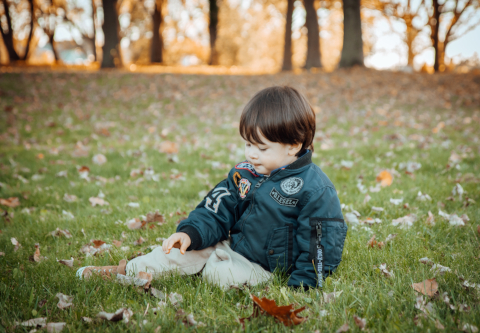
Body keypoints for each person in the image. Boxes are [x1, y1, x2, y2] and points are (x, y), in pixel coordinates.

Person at [77, 86, 347, 290]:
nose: (251, 154)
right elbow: (217, 207)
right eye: (248, 144)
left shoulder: (315, 189)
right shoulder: (246, 173)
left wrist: (304, 285)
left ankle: (211, 266)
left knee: (219, 275)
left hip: (266, 266)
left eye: (261, 148)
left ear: (294, 145)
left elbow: (321, 244)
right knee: (178, 251)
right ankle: (129, 269)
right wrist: (191, 233)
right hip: (233, 245)